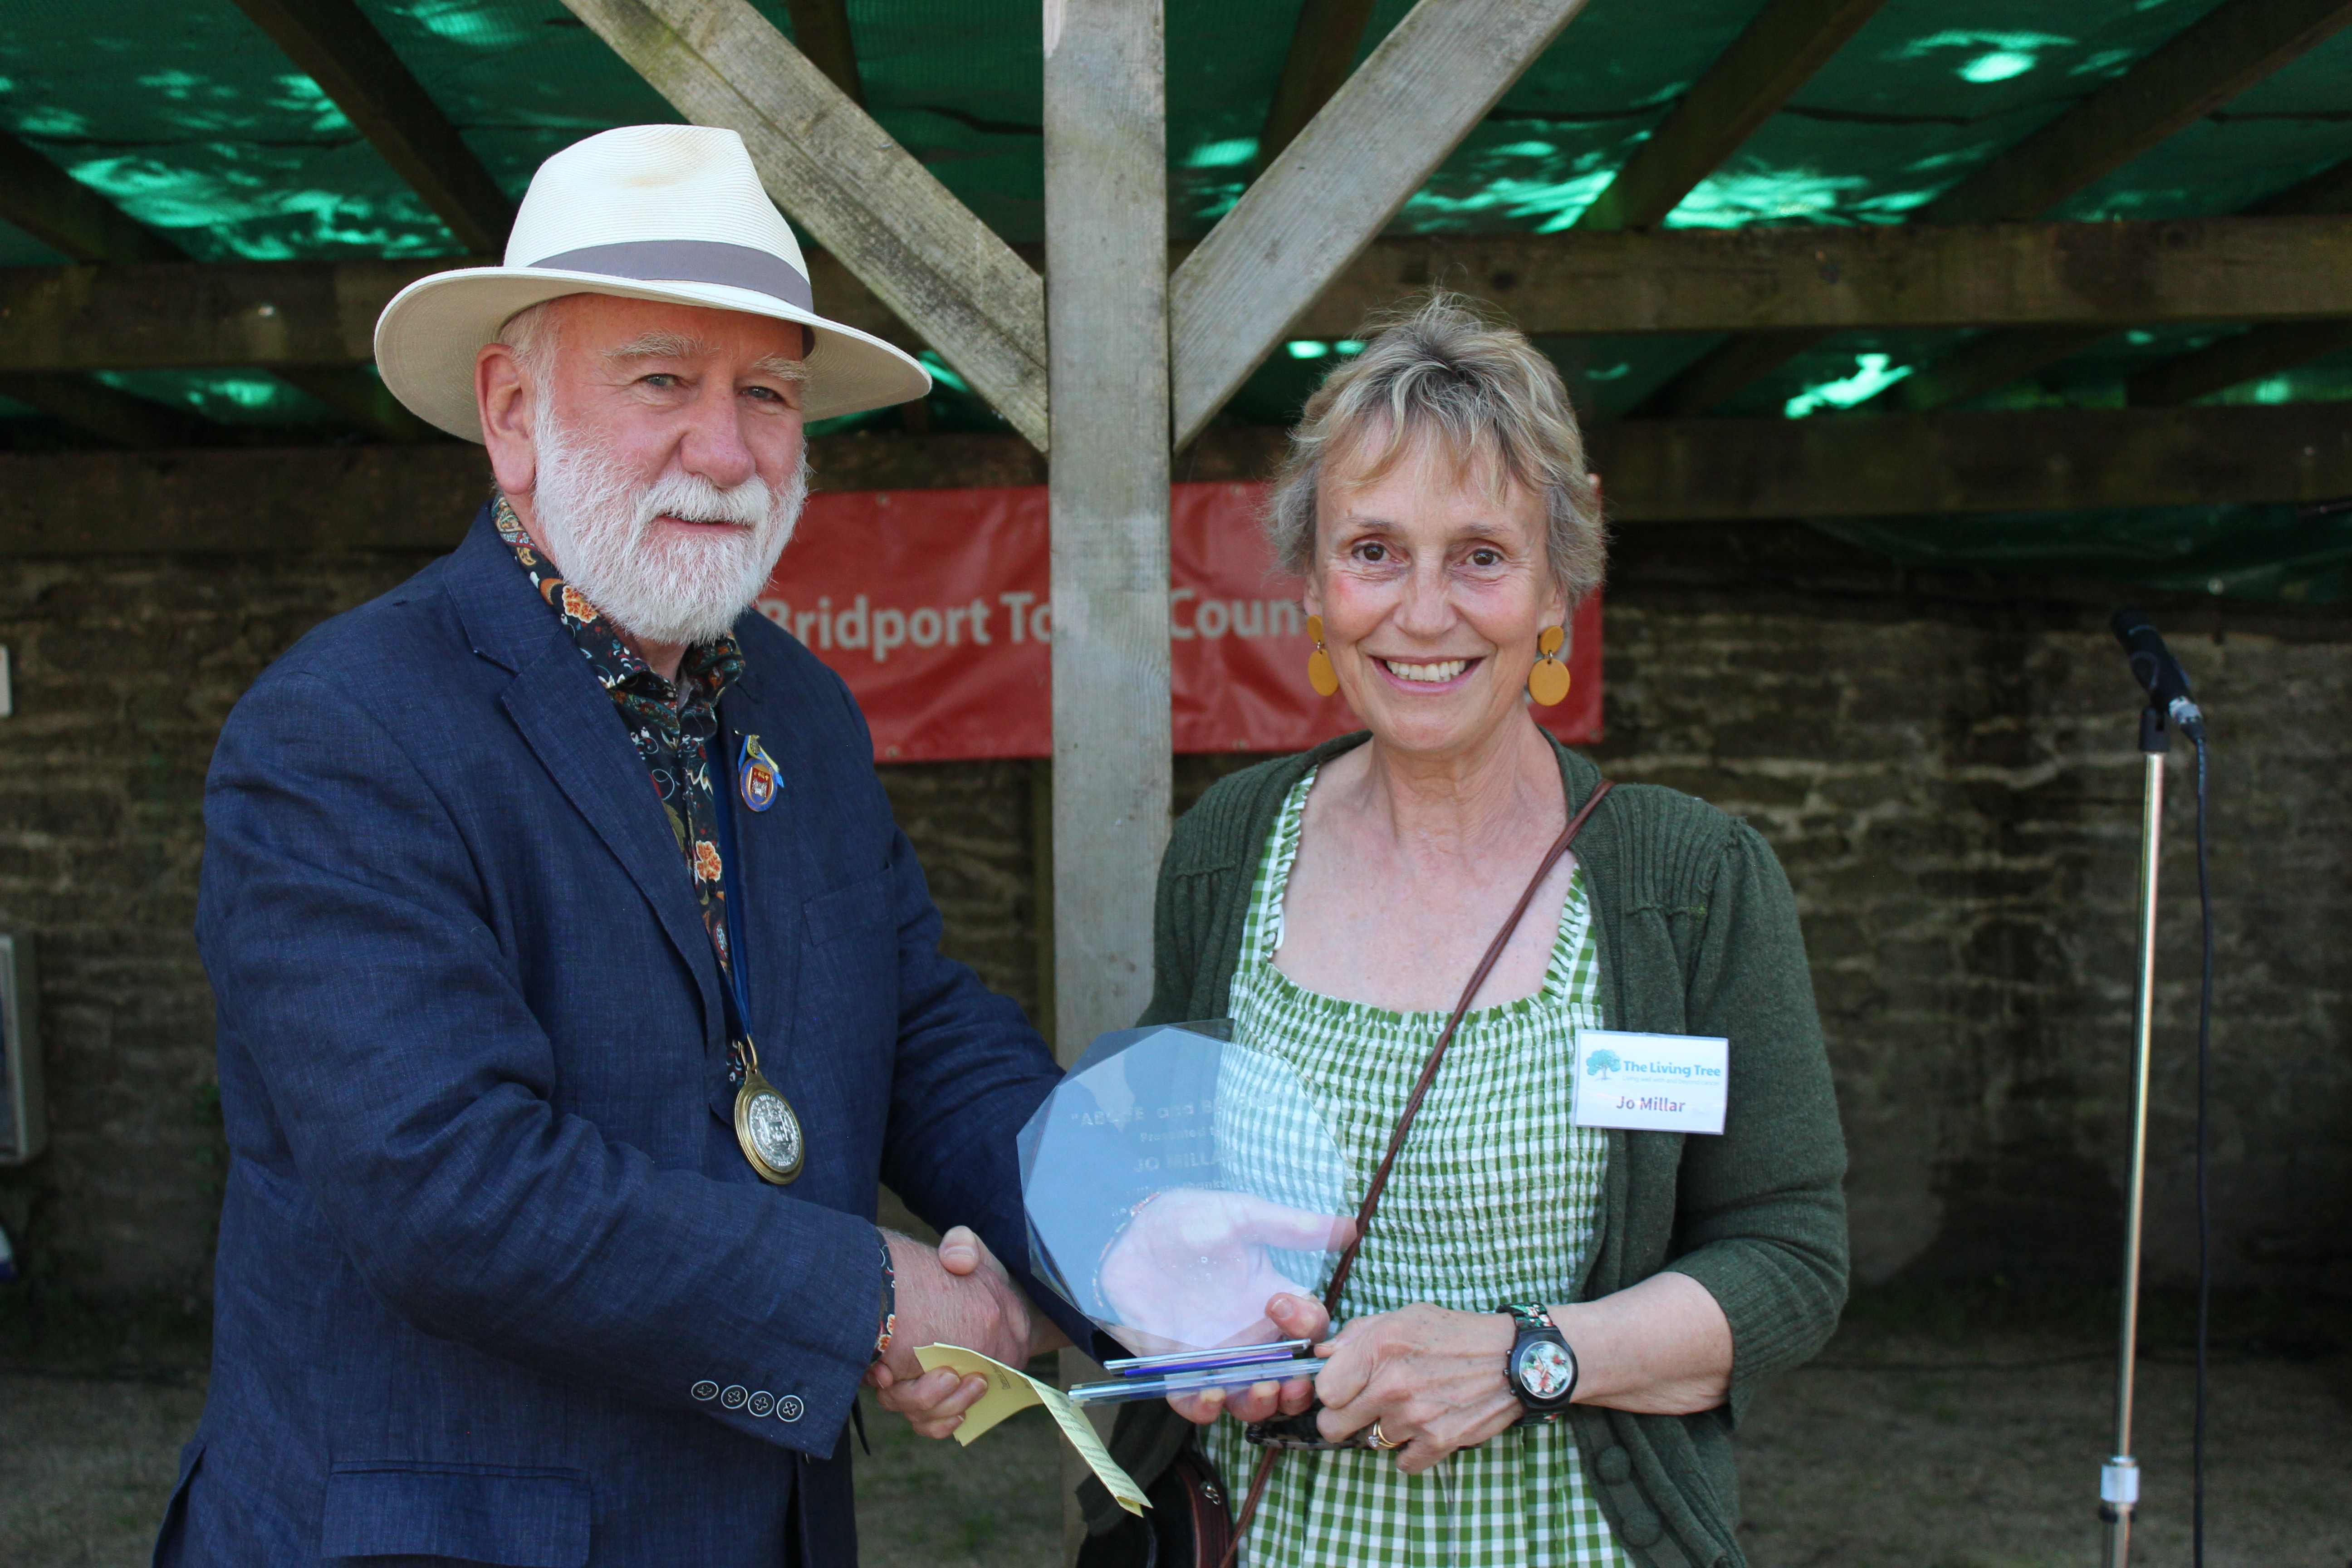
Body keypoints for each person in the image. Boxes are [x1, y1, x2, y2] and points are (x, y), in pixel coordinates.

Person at [160, 124, 1080, 1567]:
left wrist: (1142, 1252)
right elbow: (449, 1186)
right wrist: (867, 1297)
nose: (724, 449)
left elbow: (919, 1031)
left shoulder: (801, 708)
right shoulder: (343, 731)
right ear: (513, 410)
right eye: (663, 380)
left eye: (767, 393)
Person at [1083, 296, 1849, 1567]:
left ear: (1559, 578)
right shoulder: (1228, 847)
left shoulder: (1691, 882)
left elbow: (1793, 1259)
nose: (1423, 613)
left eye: (1481, 556)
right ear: (1316, 582)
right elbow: (1165, 1183)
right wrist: (1195, 1313)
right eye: (1375, 550)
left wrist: (1532, 1356)